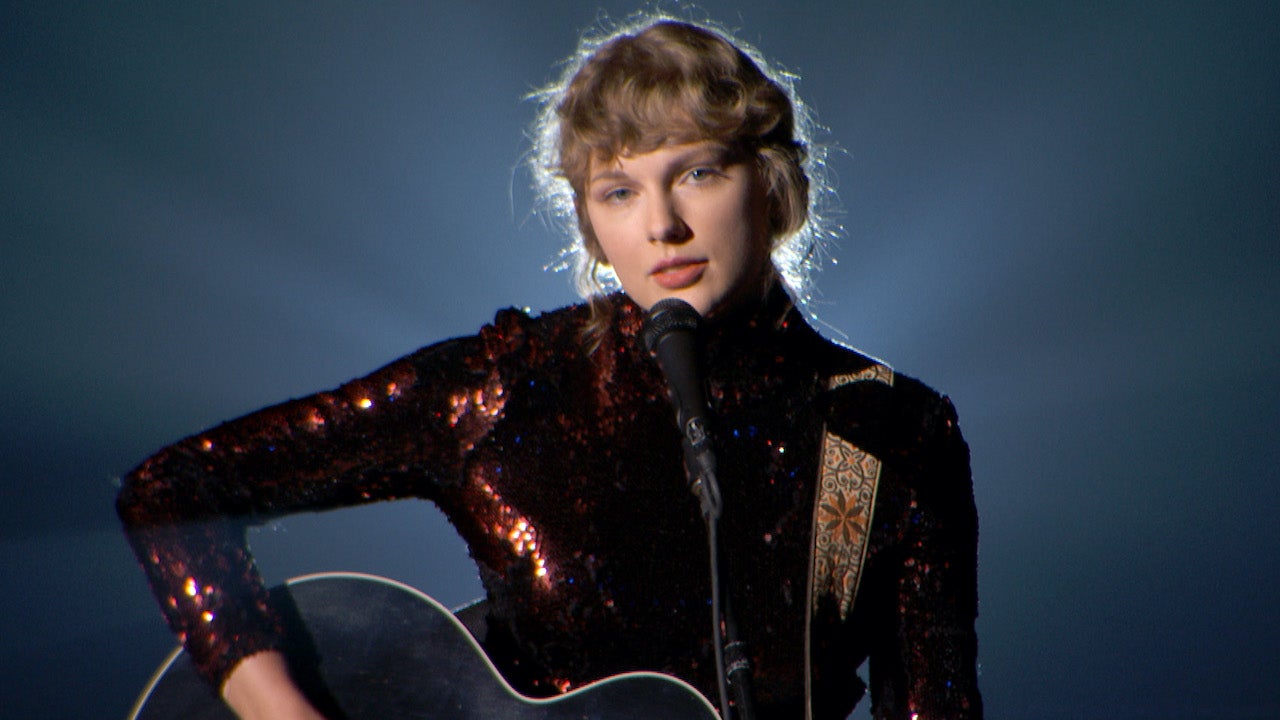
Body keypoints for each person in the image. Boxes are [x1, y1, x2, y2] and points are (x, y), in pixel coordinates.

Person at [118, 16, 982, 720]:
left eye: (698, 172)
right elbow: (171, 492)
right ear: (590, 223)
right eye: (620, 192)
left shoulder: (890, 432)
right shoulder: (512, 384)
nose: (663, 226)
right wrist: (279, 710)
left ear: (773, 183)